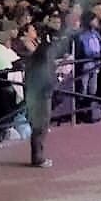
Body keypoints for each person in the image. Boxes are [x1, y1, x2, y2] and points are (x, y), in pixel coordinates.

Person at [23, 31, 70, 168]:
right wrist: (57, 80)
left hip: (42, 95)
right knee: (40, 127)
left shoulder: (41, 58)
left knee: (42, 126)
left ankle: (38, 156)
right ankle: (38, 158)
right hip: (40, 97)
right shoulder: (42, 59)